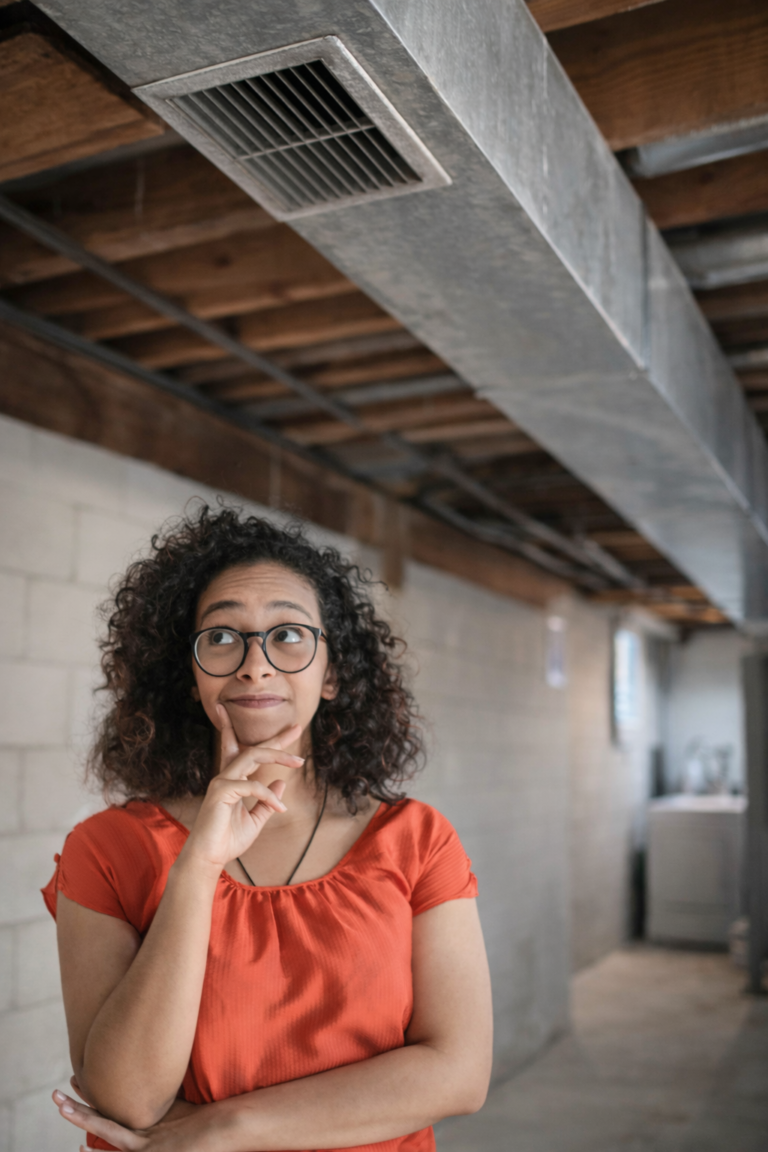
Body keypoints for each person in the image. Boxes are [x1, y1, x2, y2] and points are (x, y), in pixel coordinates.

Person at [43, 505, 493, 1152]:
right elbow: (129, 1098)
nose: (255, 666)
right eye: (222, 638)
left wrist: (224, 1127)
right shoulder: (107, 851)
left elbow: (459, 1074)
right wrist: (198, 867)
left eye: (288, 635)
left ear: (331, 673)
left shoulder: (418, 841)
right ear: (191, 674)